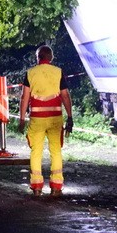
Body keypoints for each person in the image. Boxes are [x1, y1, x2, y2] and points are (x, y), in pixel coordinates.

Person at [18, 45, 73, 196]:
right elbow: (65, 96)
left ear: (38, 58)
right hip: (55, 118)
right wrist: (70, 117)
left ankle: (36, 187)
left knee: (36, 151)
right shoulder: (58, 72)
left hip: (37, 119)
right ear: (51, 58)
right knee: (56, 151)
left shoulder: (31, 73)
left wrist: (22, 119)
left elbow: (25, 97)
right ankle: (56, 186)